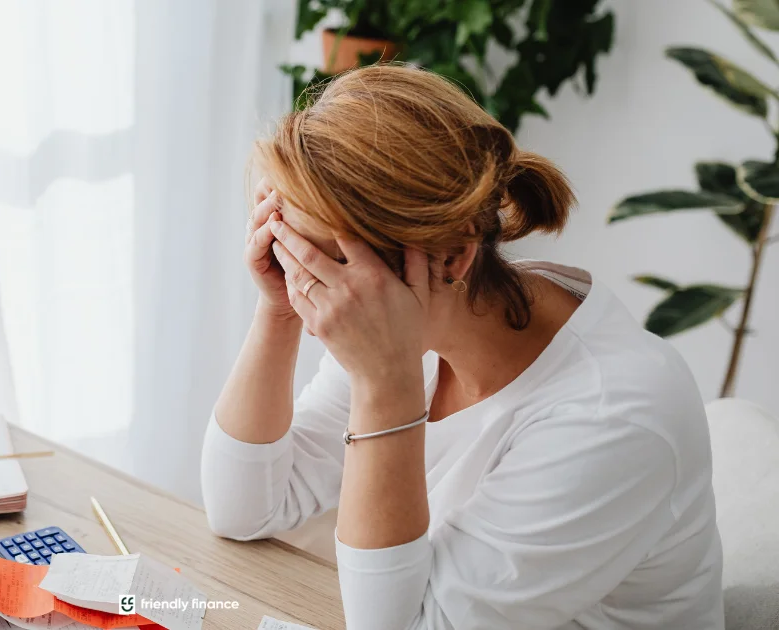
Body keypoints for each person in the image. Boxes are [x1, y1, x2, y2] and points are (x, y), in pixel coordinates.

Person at [200, 64, 723, 629]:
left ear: (451, 257)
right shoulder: (422, 311)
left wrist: (385, 381)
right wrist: (277, 311)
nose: (311, 289)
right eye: (288, 248)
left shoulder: (615, 416)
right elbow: (244, 510)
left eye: (323, 263)